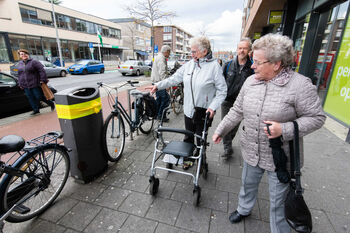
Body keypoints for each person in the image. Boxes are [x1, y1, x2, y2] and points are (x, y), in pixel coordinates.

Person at [212, 34, 326, 233]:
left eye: (257, 62)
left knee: (278, 202)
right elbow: (237, 110)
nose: (252, 66)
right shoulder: (250, 82)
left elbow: (317, 118)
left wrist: (285, 129)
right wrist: (221, 130)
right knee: (247, 184)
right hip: (251, 150)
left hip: (279, 157)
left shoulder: (300, 85)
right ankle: (244, 208)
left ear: (276, 64)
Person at [151, 36, 227, 168]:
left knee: (200, 138)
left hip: (203, 111)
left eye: (194, 51)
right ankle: (188, 158)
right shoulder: (189, 65)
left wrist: (213, 107)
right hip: (188, 110)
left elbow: (222, 91)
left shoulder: (214, 67)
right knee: (188, 136)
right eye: (191, 51)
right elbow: (174, 79)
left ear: (204, 51)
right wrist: (158, 85)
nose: (191, 54)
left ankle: (201, 158)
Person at [220, 38, 254, 159]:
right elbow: (220, 82)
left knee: (234, 127)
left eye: (245, 48)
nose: (242, 50)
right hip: (227, 101)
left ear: (249, 50)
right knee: (226, 125)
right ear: (237, 49)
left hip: (242, 103)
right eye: (240, 48)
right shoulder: (228, 65)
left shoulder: (253, 68)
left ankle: (228, 141)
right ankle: (227, 147)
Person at [17, 49, 55, 115]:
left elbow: (41, 70)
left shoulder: (34, 62)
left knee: (39, 96)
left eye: (25, 53)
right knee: (30, 98)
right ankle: (36, 110)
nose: (23, 55)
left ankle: (51, 103)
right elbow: (20, 74)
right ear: (20, 56)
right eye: (21, 54)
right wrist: (20, 83)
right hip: (25, 85)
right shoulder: (20, 63)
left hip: (34, 83)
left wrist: (43, 80)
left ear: (27, 54)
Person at [151, 45, 171, 122]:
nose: (169, 55)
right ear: (166, 52)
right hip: (159, 82)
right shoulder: (161, 58)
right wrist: (166, 85)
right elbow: (162, 73)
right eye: (169, 53)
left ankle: (157, 115)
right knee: (165, 99)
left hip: (157, 81)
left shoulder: (159, 57)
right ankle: (161, 116)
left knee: (159, 99)